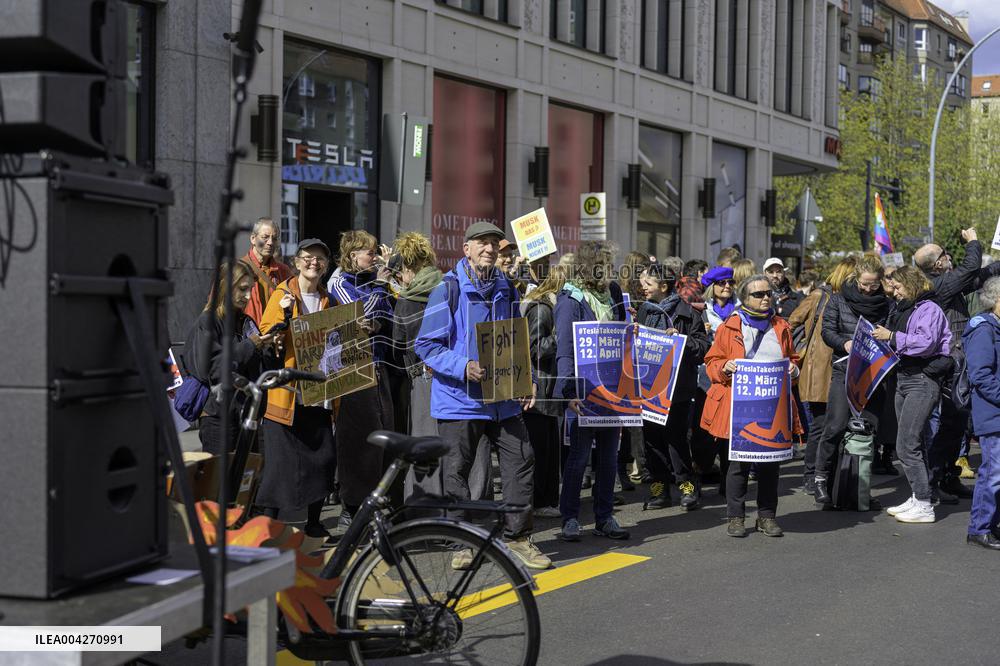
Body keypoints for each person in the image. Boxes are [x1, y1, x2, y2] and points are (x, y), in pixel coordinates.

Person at [414, 221, 550, 570]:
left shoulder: (507, 287)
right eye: (482, 243)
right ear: (467, 249)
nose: (489, 249)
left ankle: (518, 537)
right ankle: (464, 541)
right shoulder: (447, 289)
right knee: (456, 473)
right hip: (459, 401)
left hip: (504, 399)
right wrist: (463, 366)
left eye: (494, 243)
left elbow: (516, 340)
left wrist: (528, 379)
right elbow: (426, 345)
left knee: (521, 461)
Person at [701, 274, 801, 538]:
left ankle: (766, 517)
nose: (766, 298)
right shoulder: (730, 327)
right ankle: (736, 517)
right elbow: (712, 363)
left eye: (769, 293)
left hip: (773, 406)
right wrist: (724, 366)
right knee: (738, 466)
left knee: (770, 466)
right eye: (758, 294)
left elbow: (792, 358)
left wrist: (793, 370)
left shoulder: (781, 326)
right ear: (745, 298)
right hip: (738, 406)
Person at [257, 239, 337, 538]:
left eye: (320, 259)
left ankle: (314, 523)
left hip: (319, 394)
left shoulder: (331, 301)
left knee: (322, 459)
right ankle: (266, 526)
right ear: (297, 261)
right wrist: (281, 325)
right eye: (308, 257)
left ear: (326, 266)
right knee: (279, 466)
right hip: (287, 397)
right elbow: (265, 338)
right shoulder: (282, 296)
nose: (314, 263)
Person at [914, 229, 1000, 501]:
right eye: (944, 253)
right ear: (937, 264)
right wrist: (973, 240)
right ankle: (932, 481)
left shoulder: (948, 282)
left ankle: (948, 476)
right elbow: (971, 267)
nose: (949, 255)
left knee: (956, 423)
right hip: (947, 363)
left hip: (957, 362)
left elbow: (980, 275)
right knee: (947, 423)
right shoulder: (936, 284)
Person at [555, 241, 631, 542]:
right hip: (582, 391)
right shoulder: (570, 298)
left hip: (611, 391)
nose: (611, 270)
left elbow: (622, 336)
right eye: (606, 264)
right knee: (579, 458)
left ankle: (604, 517)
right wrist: (567, 391)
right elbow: (565, 349)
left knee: (609, 458)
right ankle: (570, 518)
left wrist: (633, 331)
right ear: (591, 266)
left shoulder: (613, 293)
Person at [871, 266, 952, 524]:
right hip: (905, 378)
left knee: (907, 444)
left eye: (898, 287)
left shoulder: (929, 308)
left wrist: (892, 336)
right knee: (912, 443)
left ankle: (924, 503)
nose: (894, 292)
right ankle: (919, 496)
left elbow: (925, 343)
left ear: (911, 284)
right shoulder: (906, 308)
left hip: (922, 381)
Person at [327, 230, 396, 528]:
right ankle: (351, 507)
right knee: (357, 440)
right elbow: (357, 317)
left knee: (383, 435)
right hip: (353, 371)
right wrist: (379, 287)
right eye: (370, 252)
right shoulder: (339, 283)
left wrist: (377, 319)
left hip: (379, 365)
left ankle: (375, 502)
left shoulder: (370, 282)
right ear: (353, 255)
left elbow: (386, 316)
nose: (375, 257)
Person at [812, 254, 892, 506]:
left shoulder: (886, 304)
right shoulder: (838, 299)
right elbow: (827, 331)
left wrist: (886, 337)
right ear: (856, 278)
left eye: (874, 284)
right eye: (864, 284)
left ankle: (860, 487)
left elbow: (892, 333)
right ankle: (821, 478)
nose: (868, 289)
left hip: (873, 372)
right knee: (835, 425)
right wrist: (844, 343)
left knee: (867, 430)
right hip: (844, 369)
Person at [636, 263, 710, 510]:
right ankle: (659, 489)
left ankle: (687, 486)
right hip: (648, 388)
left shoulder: (688, 312)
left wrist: (682, 341)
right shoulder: (644, 311)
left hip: (676, 389)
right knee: (652, 441)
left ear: (663, 286)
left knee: (676, 440)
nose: (643, 287)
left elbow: (703, 348)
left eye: (648, 283)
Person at [183, 261, 276, 455]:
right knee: (221, 474)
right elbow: (211, 368)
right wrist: (250, 345)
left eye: (250, 289)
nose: (248, 296)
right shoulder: (209, 321)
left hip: (247, 414)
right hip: (219, 418)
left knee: (248, 473)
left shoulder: (245, 321)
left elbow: (258, 367)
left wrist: (272, 349)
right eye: (242, 289)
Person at [787, 256, 856, 494]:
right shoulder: (820, 296)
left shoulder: (851, 300)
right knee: (820, 425)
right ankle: (810, 476)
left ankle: (827, 476)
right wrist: (796, 353)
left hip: (841, 368)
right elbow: (791, 323)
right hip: (819, 369)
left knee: (836, 425)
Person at [521, 258, 573, 518]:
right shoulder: (542, 309)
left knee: (550, 449)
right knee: (541, 449)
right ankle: (540, 501)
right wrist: (562, 337)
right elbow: (535, 349)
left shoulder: (549, 306)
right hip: (540, 389)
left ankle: (548, 500)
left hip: (548, 388)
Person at [961, 276, 1000, 549]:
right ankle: (980, 528)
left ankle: (990, 525)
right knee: (993, 474)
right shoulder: (984, 330)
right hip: (992, 414)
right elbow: (981, 376)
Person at [618, 250, 653, 485]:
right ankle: (638, 466)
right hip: (630, 359)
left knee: (631, 419)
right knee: (632, 419)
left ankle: (632, 468)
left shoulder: (634, 293)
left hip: (634, 360)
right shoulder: (629, 295)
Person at [241, 217, 293, 329]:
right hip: (247, 336)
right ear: (253, 239)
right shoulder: (236, 270)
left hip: (275, 334)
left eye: (274, 238)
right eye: (265, 237)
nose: (270, 243)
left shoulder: (284, 271)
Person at [701, 266, 738, 334]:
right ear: (712, 286)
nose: (728, 286)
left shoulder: (740, 308)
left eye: (731, 282)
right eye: (722, 282)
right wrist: (703, 331)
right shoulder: (703, 311)